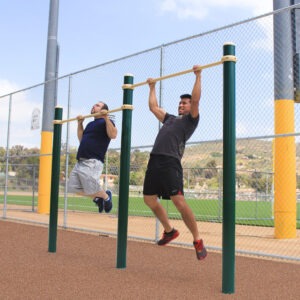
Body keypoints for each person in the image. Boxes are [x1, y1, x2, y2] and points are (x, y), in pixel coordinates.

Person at [143, 65, 207, 260]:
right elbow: (153, 107)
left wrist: (198, 76)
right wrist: (152, 87)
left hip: (171, 162)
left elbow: (196, 99)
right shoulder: (170, 119)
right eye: (180, 103)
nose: (182, 105)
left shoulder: (191, 121)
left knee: (178, 201)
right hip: (155, 160)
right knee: (149, 199)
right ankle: (169, 231)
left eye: (184, 103)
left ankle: (197, 240)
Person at [68, 101, 117, 213]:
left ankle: (106, 197)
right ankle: (97, 198)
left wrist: (106, 118)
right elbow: (81, 140)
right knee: (73, 187)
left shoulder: (106, 122)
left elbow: (113, 135)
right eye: (94, 104)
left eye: (98, 105)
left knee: (91, 188)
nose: (94, 106)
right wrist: (80, 123)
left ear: (104, 110)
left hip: (93, 161)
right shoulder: (90, 124)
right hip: (80, 160)